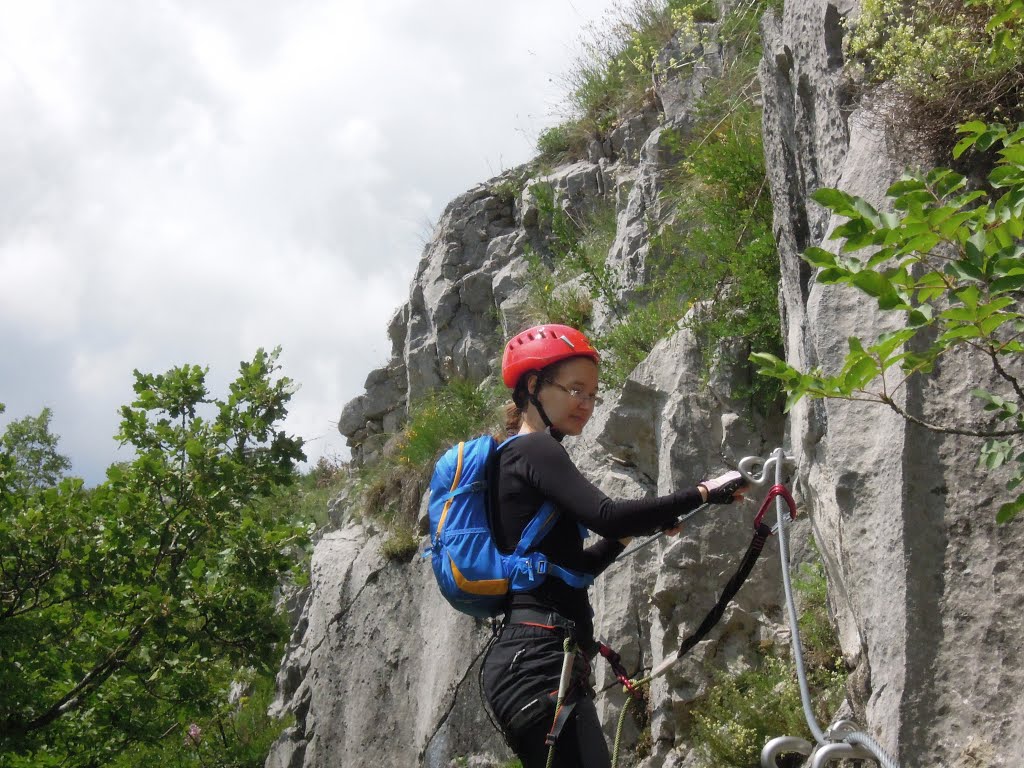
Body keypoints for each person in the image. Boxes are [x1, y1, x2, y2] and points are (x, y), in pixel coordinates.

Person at [480, 323, 747, 768]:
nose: (585, 404)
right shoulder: (536, 450)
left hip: (529, 660)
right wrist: (704, 492)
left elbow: (573, 572)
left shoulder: (512, 458)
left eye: (593, 394)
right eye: (575, 389)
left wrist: (632, 533)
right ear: (533, 385)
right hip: (540, 660)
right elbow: (606, 515)